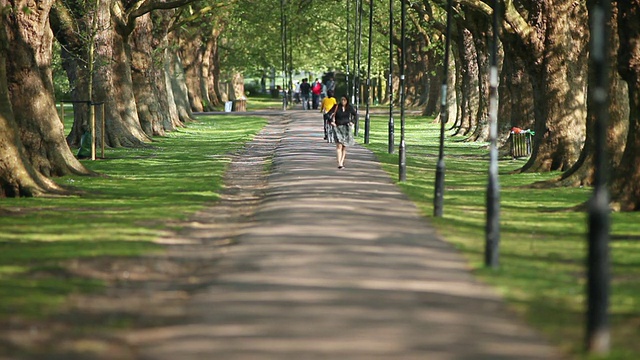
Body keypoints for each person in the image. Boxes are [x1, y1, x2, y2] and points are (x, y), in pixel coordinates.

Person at [329, 95, 357, 169]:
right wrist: (331, 122)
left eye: (344, 100)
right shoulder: (336, 106)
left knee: (344, 147)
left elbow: (355, 115)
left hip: (346, 128)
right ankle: (339, 164)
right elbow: (328, 114)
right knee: (339, 146)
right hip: (338, 128)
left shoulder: (349, 107)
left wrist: (352, 122)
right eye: (342, 100)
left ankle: (342, 161)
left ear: (347, 100)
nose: (343, 101)